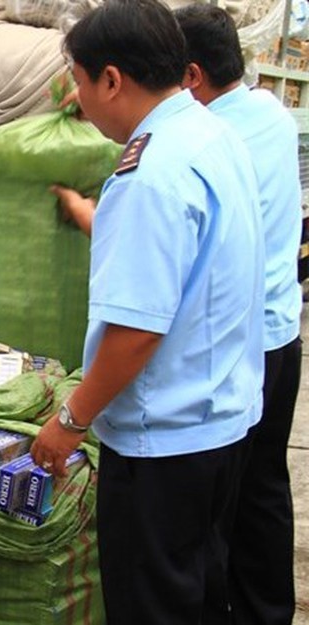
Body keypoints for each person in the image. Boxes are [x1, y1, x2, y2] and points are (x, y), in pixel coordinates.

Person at [27, 1, 264, 623]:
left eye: (80, 82)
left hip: (163, 444)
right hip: (222, 421)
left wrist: (71, 419)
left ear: (112, 80)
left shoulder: (147, 174)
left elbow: (135, 331)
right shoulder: (212, 133)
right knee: (202, 591)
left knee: (153, 605)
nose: (79, 100)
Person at [175, 6, 303, 623]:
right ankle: (268, 611)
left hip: (243, 344)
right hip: (283, 332)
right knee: (264, 488)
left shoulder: (212, 140)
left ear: (192, 75)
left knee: (217, 499)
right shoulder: (271, 114)